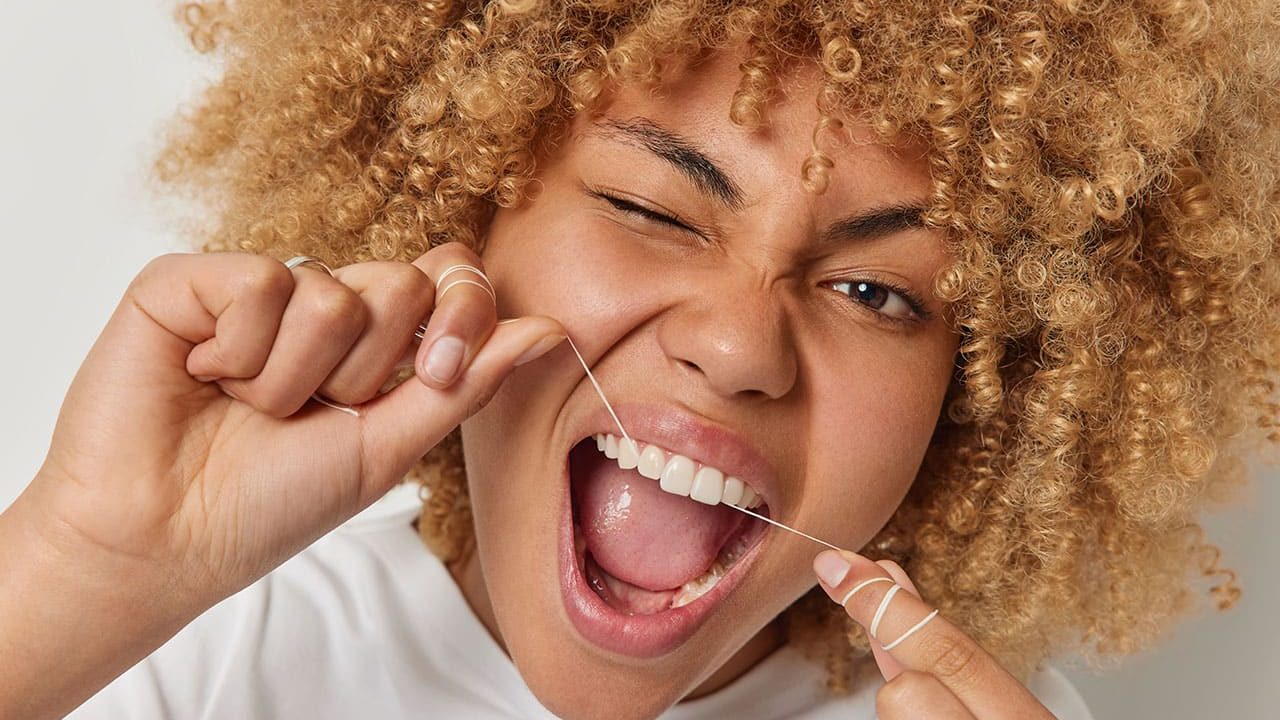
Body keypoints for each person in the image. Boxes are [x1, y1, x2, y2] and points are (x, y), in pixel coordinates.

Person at [2, 0, 1277, 718]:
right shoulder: (184, 644)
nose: (735, 346)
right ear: (459, 220)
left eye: (878, 291)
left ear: (982, 397)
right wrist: (79, 569)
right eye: (655, 210)